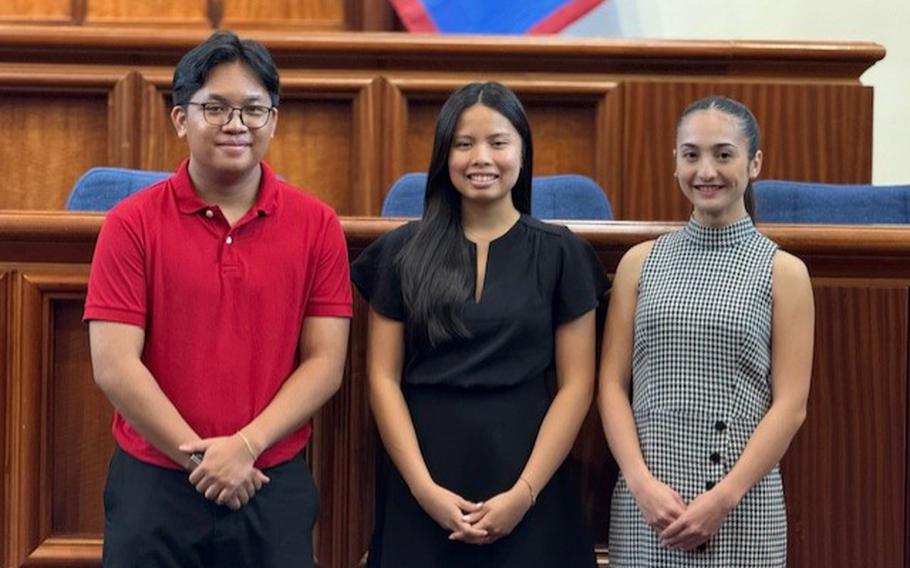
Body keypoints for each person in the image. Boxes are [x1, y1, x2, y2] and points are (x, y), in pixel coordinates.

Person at [84, 31, 352, 568]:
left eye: (254, 110)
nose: (236, 124)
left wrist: (245, 447)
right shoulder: (130, 224)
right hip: (155, 481)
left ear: (273, 121)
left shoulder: (317, 224)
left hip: (268, 478)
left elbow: (325, 362)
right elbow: (114, 365)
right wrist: (203, 460)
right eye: (216, 108)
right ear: (181, 118)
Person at [351, 81, 607, 567]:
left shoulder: (562, 253)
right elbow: (382, 379)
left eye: (498, 142)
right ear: (444, 156)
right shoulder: (402, 251)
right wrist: (423, 489)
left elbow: (578, 385)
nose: (480, 158)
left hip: (529, 476)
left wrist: (524, 494)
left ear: (523, 152)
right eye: (464, 144)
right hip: (423, 475)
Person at [598, 95, 814, 566]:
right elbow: (612, 387)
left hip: (741, 506)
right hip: (647, 505)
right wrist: (639, 482)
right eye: (691, 154)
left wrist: (724, 498)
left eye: (723, 154)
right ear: (675, 162)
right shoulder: (640, 263)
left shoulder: (784, 271)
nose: (706, 170)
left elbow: (790, 406)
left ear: (754, 163)